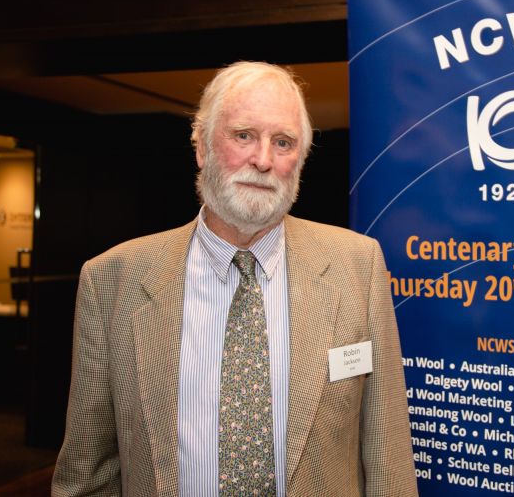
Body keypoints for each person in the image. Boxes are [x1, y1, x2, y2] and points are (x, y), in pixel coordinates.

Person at [52, 61, 418, 496]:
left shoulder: (357, 265)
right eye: (243, 135)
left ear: (300, 161)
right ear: (202, 147)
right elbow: (89, 473)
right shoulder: (112, 281)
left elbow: (388, 458)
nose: (263, 160)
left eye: (283, 142)